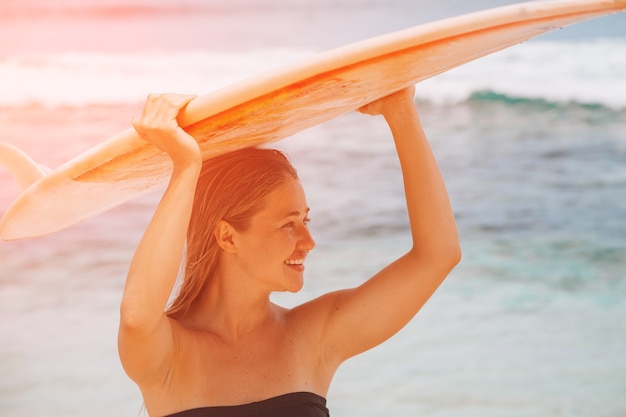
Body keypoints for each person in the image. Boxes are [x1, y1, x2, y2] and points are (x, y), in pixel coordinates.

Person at [118, 86, 461, 417]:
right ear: (228, 237)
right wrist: (186, 167)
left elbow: (438, 255)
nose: (308, 241)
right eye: (288, 224)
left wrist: (401, 112)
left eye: (306, 220)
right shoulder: (168, 352)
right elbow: (136, 316)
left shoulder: (314, 335)